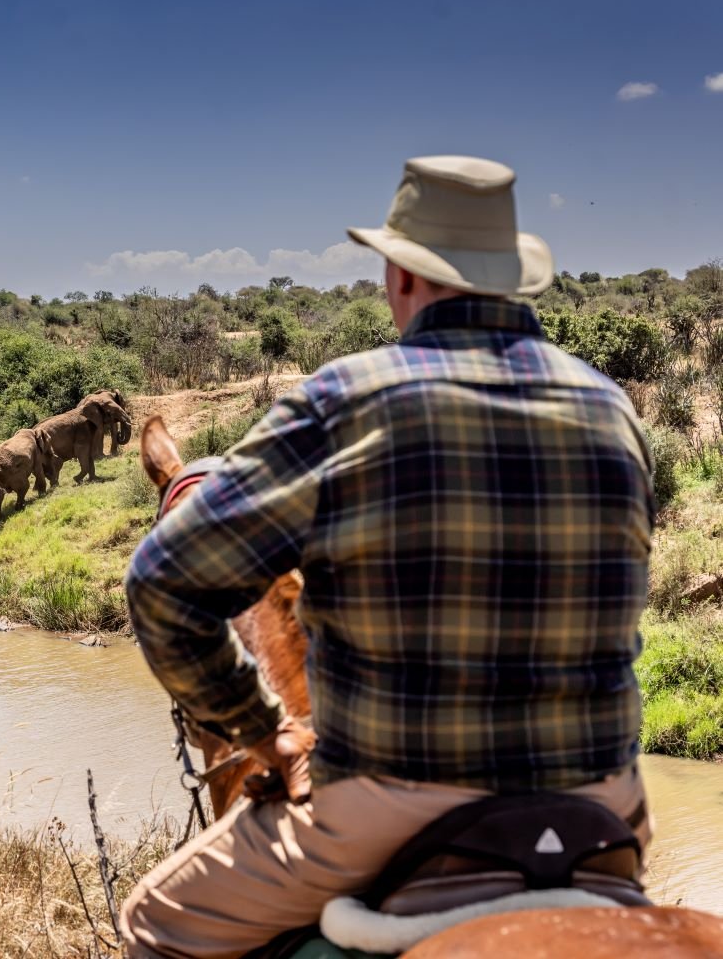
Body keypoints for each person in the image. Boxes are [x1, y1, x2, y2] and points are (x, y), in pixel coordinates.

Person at [122, 157, 654, 957]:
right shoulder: (611, 408)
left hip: (389, 800)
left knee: (153, 922)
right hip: (606, 803)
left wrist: (262, 731)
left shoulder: (347, 400)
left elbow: (163, 582)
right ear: (512, 280)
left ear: (400, 275)